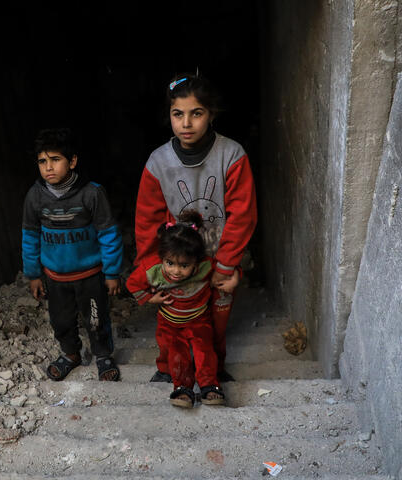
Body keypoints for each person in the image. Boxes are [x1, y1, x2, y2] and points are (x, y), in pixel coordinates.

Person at [134, 73, 257, 383]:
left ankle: (213, 370)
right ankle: (169, 369)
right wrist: (152, 267)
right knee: (174, 318)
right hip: (178, 260)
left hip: (218, 259)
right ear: (170, 116)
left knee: (215, 319)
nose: (186, 123)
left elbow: (242, 214)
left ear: (211, 114)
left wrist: (228, 266)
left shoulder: (231, 155)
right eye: (178, 114)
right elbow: (147, 221)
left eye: (196, 113)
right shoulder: (158, 162)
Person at [22, 128, 123, 382]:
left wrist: (112, 273)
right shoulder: (35, 196)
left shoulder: (92, 193)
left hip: (90, 274)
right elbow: (30, 237)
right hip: (55, 277)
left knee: (96, 318)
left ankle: (103, 356)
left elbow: (108, 234)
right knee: (61, 320)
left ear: (73, 161)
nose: (48, 167)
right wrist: (33, 274)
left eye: (55, 159)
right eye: (42, 161)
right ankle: (70, 355)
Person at [126, 210, 236, 408]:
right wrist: (151, 298)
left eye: (184, 265)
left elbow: (226, 270)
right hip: (170, 324)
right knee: (177, 354)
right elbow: (132, 284)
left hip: (199, 320)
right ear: (162, 258)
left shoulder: (205, 266)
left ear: (196, 262)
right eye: (170, 263)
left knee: (205, 351)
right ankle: (183, 388)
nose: (176, 271)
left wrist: (234, 277)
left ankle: (209, 386)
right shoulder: (152, 270)